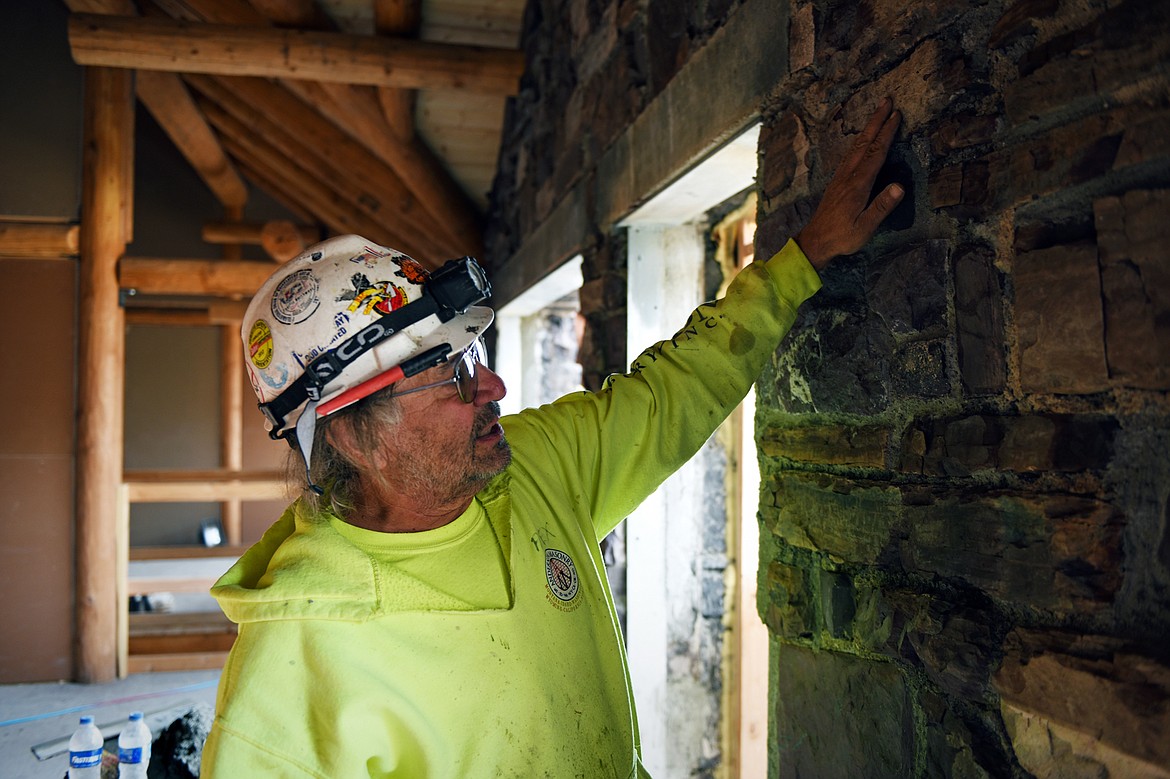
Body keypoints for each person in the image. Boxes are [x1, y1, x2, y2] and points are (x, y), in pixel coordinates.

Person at [202, 99, 904, 777]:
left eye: (469, 359)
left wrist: (802, 259)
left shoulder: (536, 465)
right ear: (356, 438)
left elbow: (675, 388)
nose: (494, 390)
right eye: (448, 378)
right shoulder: (289, 680)